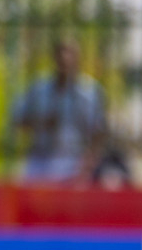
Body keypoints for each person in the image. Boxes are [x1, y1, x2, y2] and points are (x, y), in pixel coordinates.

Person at [11, 40, 108, 183]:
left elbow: (100, 132)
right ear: (55, 58)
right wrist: (42, 122)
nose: (65, 60)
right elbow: (18, 120)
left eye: (71, 55)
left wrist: (88, 164)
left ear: (78, 59)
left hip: (75, 163)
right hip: (40, 160)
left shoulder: (90, 93)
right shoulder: (39, 89)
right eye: (61, 55)